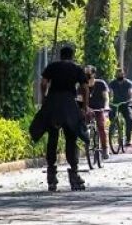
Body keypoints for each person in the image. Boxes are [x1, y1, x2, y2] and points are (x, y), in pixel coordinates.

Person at [29, 42, 89, 191]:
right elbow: (85, 87)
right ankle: (74, 174)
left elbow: (43, 83)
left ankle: (51, 175)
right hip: (69, 104)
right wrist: (85, 107)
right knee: (71, 137)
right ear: (72, 56)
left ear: (60, 56)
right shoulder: (76, 68)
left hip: (53, 103)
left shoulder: (52, 66)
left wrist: (44, 98)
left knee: (53, 137)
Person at [85, 65, 110, 160]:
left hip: (99, 109)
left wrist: (106, 106)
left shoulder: (101, 84)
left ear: (93, 74)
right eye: (85, 73)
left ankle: (105, 148)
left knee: (101, 126)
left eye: (88, 73)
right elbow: (79, 99)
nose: (86, 75)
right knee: (81, 126)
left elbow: (106, 97)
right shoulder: (82, 85)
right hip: (88, 109)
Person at [109, 67, 132, 146]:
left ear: (124, 74)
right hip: (115, 104)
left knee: (129, 119)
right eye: (118, 74)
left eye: (121, 74)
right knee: (111, 115)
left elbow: (131, 93)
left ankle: (128, 139)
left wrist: (130, 99)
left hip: (125, 104)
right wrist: (109, 101)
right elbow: (110, 93)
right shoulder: (112, 83)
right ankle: (115, 128)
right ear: (116, 75)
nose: (120, 75)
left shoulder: (128, 83)